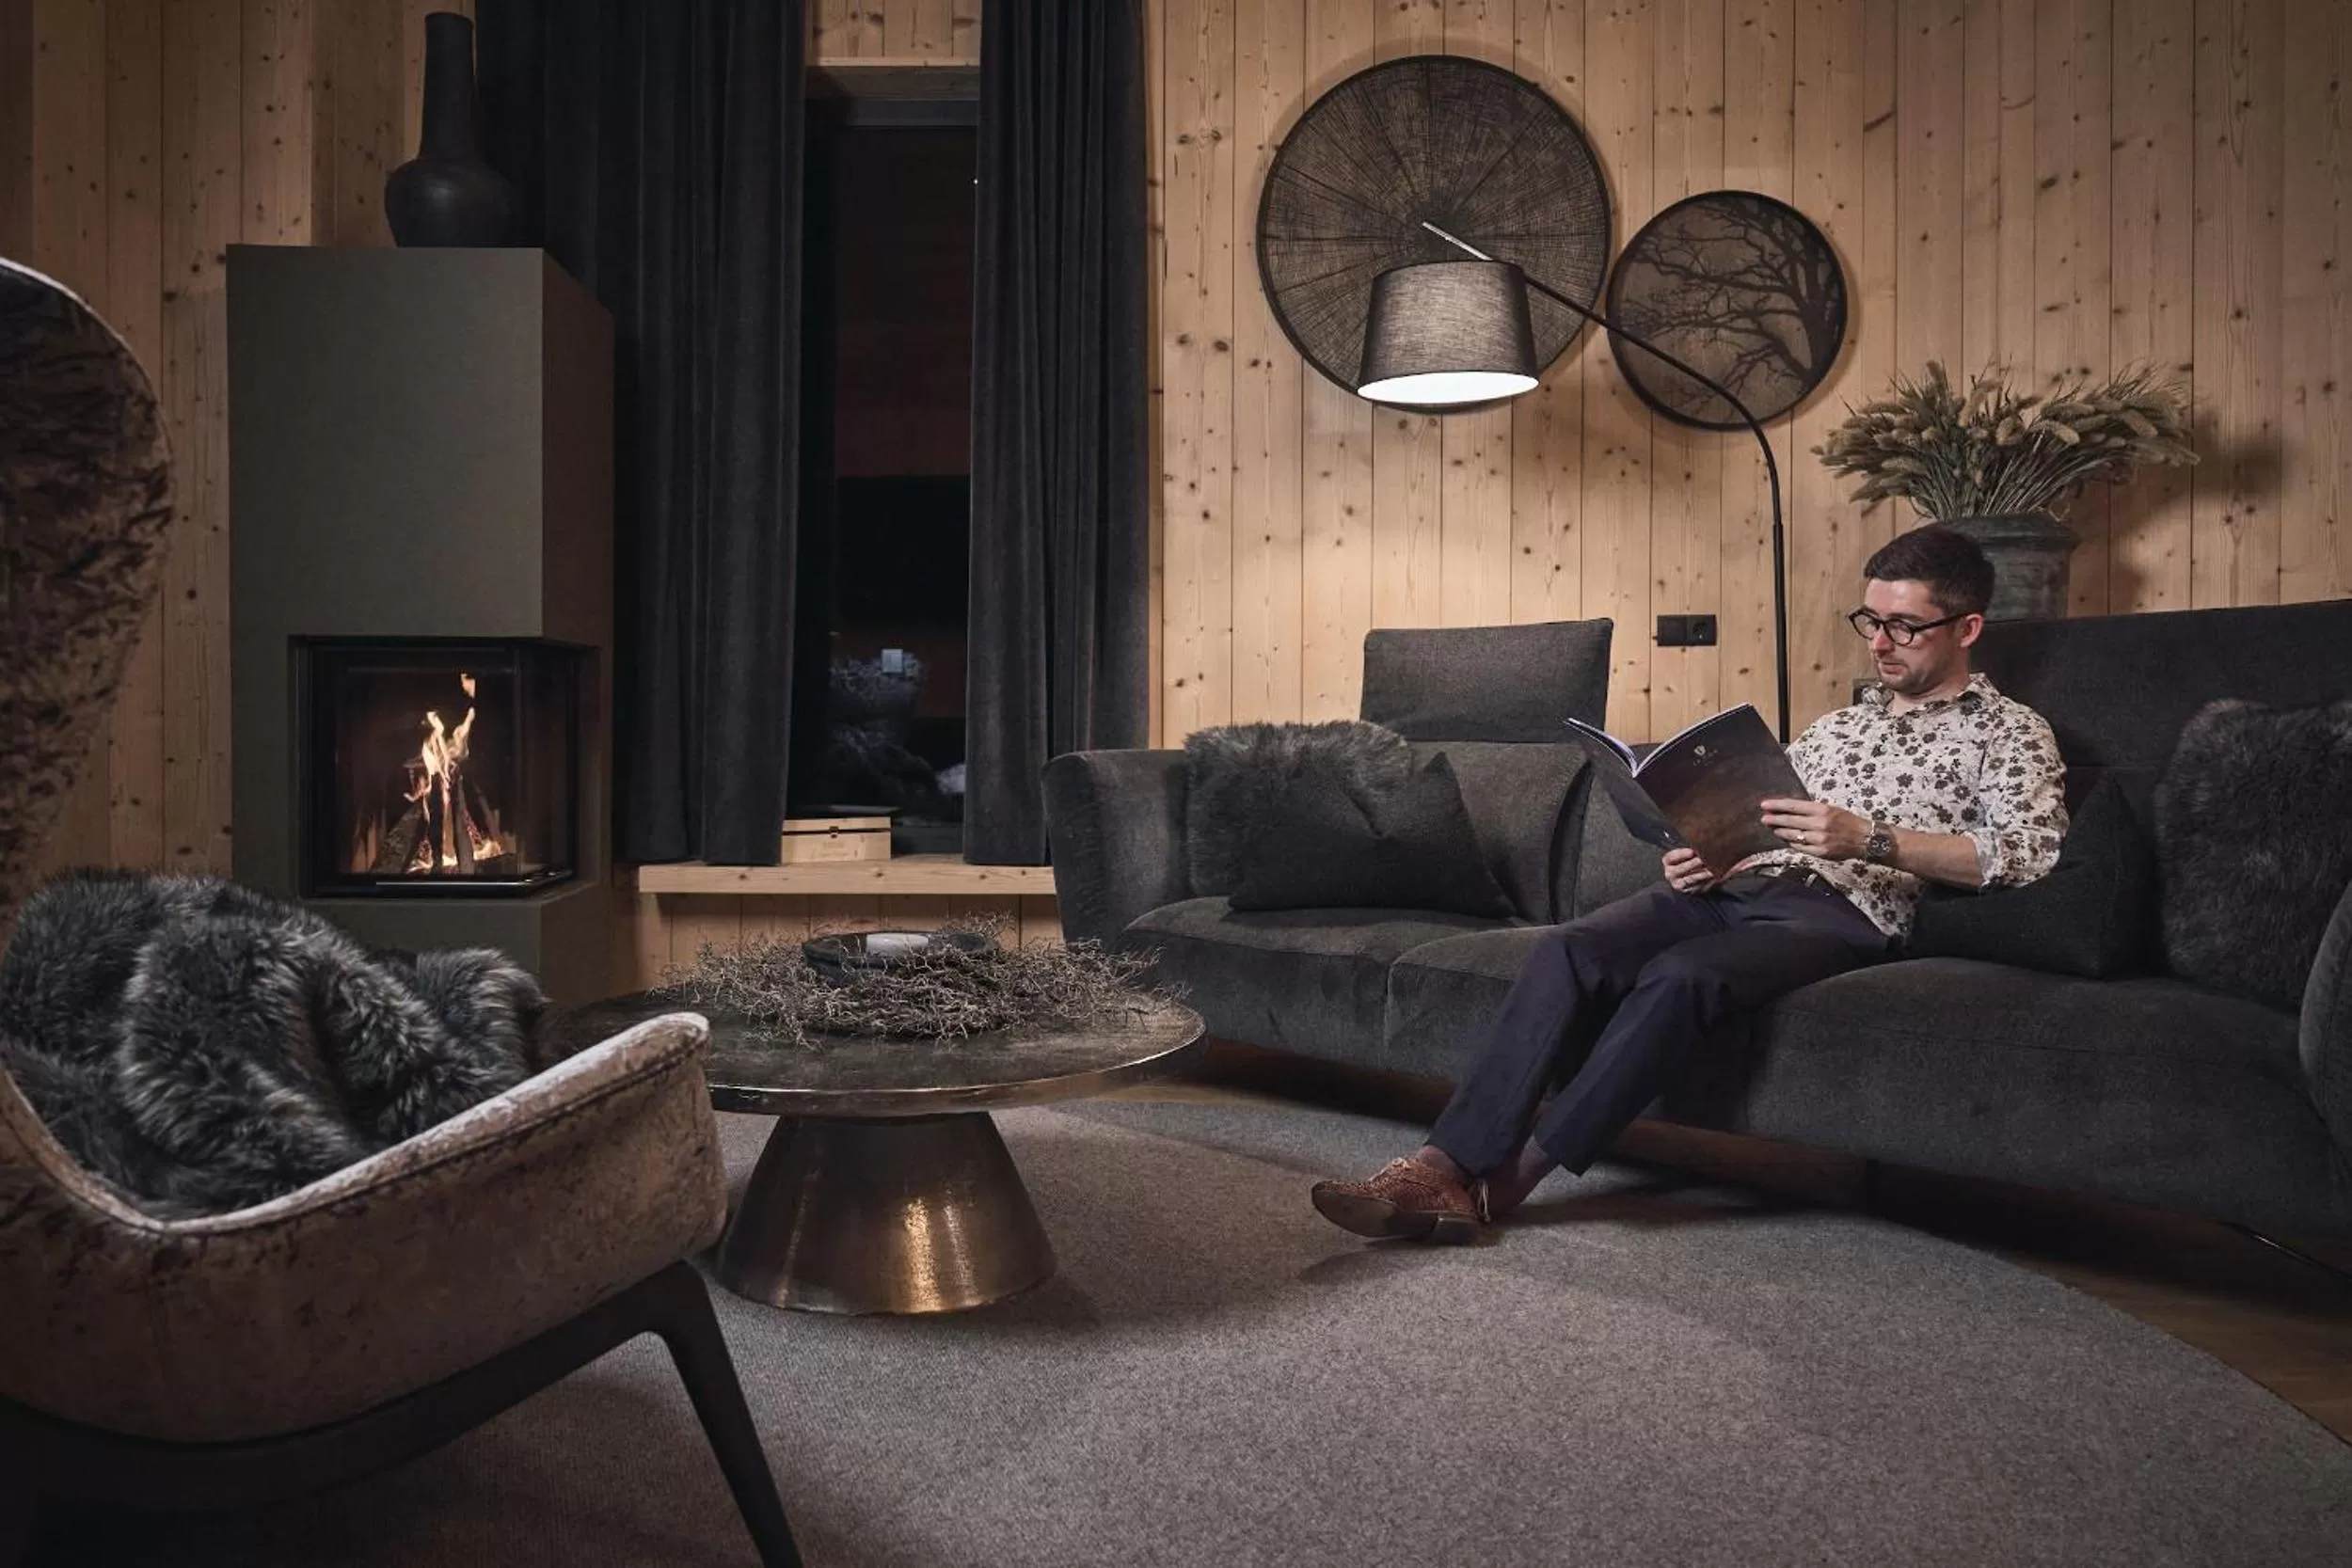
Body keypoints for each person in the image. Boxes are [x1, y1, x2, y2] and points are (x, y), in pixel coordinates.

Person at [1310, 525, 2069, 1243]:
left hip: (1845, 914)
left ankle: (1503, 1183)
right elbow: (1763, 819)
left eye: (1905, 626)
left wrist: (1867, 838)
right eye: (1870, 619)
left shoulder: (2007, 731)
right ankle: (1438, 1166)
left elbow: (2029, 852)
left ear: (1967, 629)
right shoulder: (1838, 727)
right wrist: (1707, 849)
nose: (1879, 642)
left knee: (1679, 977)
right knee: (1565, 949)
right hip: (1734, 889)